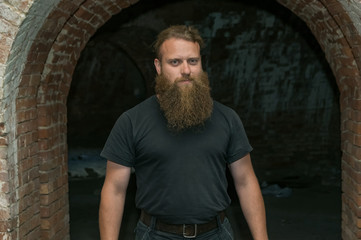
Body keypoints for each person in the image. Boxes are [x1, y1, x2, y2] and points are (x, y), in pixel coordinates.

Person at [99, 25, 268, 240]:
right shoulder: (131, 121)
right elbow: (114, 189)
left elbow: (245, 180)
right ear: (158, 66)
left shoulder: (227, 118)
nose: (186, 70)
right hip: (155, 234)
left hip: (216, 234)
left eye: (193, 61)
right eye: (175, 62)